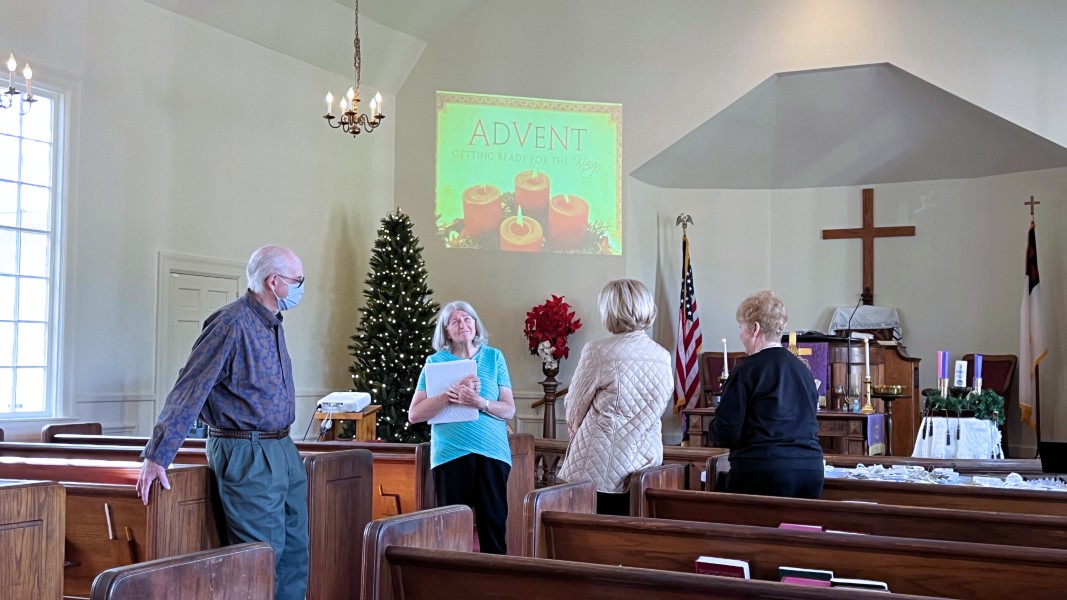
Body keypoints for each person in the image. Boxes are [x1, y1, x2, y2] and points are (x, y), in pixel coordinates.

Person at [136, 245, 309, 600]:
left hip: (281, 447)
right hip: (246, 450)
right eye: (297, 280)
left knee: (294, 555)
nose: (301, 287)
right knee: (260, 559)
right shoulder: (230, 323)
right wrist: (157, 456)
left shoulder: (273, 322)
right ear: (273, 281)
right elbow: (190, 388)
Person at [408, 300, 516, 554]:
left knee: (493, 530)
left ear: (475, 325)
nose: (463, 324)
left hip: (492, 453)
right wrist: (449, 395)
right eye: (455, 321)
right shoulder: (434, 362)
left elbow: (509, 409)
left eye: (468, 319)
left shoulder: (494, 357)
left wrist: (479, 402)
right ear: (446, 331)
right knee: (452, 534)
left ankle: (495, 577)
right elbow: (414, 414)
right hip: (450, 454)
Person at [558, 279, 673, 516]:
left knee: (590, 532)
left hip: (599, 466)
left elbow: (574, 405)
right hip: (645, 462)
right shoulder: (663, 356)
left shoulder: (598, 351)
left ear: (610, 311)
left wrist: (574, 425)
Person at [709, 290, 824, 499]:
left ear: (755, 329)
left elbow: (727, 432)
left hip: (763, 470)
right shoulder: (803, 371)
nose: (740, 335)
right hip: (810, 471)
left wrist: (714, 427)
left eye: (741, 327)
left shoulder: (746, 371)